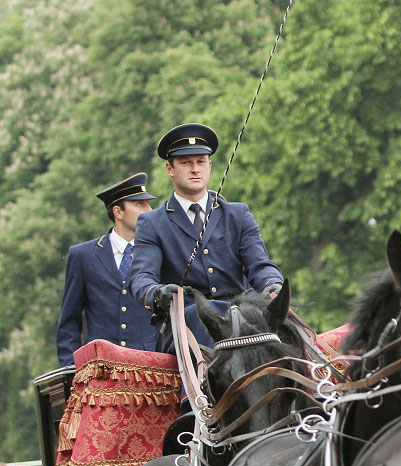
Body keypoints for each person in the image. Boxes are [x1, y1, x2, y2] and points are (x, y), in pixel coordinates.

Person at [130, 123, 283, 353]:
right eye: (185, 163)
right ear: (170, 169)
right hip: (186, 325)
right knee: (200, 320)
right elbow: (141, 278)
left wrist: (274, 285)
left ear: (209, 165)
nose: (195, 169)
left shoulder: (237, 214)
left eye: (201, 162)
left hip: (240, 319)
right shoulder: (152, 223)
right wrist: (157, 293)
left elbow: (260, 265)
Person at [56, 172, 159, 366]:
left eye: (148, 203)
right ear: (118, 212)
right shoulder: (82, 255)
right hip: (98, 368)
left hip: (151, 366)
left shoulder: (158, 251)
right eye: (139, 204)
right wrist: (70, 369)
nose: (149, 210)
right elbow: (69, 320)